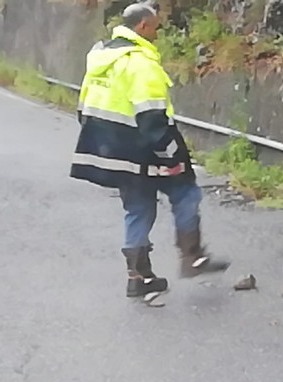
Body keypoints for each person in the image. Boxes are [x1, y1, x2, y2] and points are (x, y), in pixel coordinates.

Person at [70, 3, 229, 304]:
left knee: (138, 208)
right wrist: (172, 155)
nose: (158, 31)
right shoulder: (140, 62)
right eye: (155, 26)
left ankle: (139, 278)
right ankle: (192, 257)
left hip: (114, 150)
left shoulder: (100, 57)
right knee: (186, 193)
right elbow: (153, 118)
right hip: (146, 150)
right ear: (143, 26)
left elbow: (84, 106)